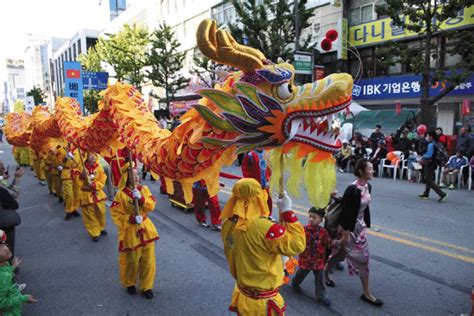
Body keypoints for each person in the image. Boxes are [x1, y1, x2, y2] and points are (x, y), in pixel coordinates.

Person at [221, 179, 306, 315]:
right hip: (263, 304)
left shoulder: (227, 224)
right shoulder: (264, 228)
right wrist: (287, 211)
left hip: (243, 296)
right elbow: (297, 245)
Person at [325, 159, 383, 307]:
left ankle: (366, 293)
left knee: (363, 259)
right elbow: (345, 213)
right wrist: (345, 233)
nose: (373, 171)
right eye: (370, 169)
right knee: (340, 255)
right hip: (348, 228)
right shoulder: (352, 189)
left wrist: (365, 224)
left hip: (360, 228)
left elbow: (364, 207)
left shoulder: (368, 186)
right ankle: (325, 272)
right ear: (362, 171)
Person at [110, 166, 159, 299]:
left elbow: (152, 205)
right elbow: (115, 213)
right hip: (130, 231)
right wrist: (130, 218)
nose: (137, 177)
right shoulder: (121, 194)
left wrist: (142, 200)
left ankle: (146, 286)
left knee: (148, 260)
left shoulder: (144, 190)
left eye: (137, 174)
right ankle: (129, 283)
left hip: (146, 228)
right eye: (133, 175)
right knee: (132, 261)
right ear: (127, 177)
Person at [291, 207, 331, 306]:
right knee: (301, 274)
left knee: (320, 279)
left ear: (321, 219)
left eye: (314, 217)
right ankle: (295, 282)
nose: (311, 219)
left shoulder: (324, 232)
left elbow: (328, 243)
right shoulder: (303, 230)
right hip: (306, 260)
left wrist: (337, 243)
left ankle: (321, 296)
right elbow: (298, 241)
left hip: (318, 261)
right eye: (310, 217)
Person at [0, 230, 37, 315]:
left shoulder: (4, 264)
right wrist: (22, 298)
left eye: (3, 244)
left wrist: (12, 267)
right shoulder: (2, 277)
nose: (6, 248)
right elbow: (1, 303)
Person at [78, 153, 107, 242]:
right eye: (90, 155)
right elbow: (76, 179)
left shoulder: (99, 167)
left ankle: (101, 227)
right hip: (86, 195)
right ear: (86, 157)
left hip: (97, 194)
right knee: (89, 215)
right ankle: (94, 232)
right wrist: (81, 178)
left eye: (95, 155)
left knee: (101, 212)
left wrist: (94, 185)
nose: (93, 157)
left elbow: (102, 180)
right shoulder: (81, 167)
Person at [0, 162, 23, 260]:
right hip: (3, 221)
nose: (4, 168)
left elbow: (8, 188)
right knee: (6, 248)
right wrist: (17, 178)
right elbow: (13, 194)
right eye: (1, 166)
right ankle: (9, 269)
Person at [241, 148, 273, 216]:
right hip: (255, 183)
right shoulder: (250, 155)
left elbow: (270, 166)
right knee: (256, 200)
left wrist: (270, 178)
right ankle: (256, 214)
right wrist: (249, 181)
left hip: (265, 182)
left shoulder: (267, 153)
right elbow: (245, 168)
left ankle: (268, 215)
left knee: (268, 199)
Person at [418, 131, 448, 202]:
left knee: (428, 179)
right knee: (428, 178)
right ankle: (426, 194)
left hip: (429, 162)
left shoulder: (431, 144)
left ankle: (442, 194)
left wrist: (421, 157)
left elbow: (428, 155)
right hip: (435, 163)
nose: (427, 137)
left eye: (427, 136)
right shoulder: (437, 143)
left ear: (431, 137)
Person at [62, 149, 81, 221]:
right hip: (67, 173)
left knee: (77, 193)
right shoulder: (62, 149)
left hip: (76, 173)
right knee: (69, 194)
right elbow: (61, 162)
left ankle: (75, 209)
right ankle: (69, 211)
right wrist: (66, 157)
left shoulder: (79, 149)